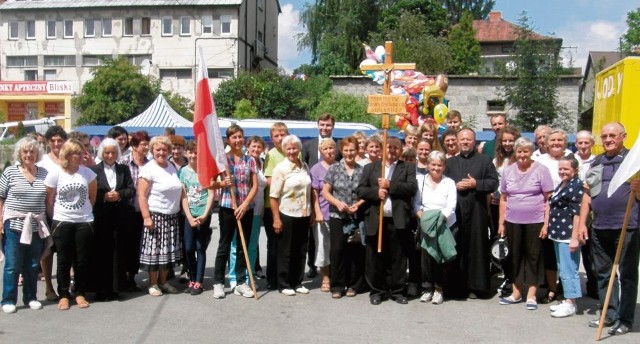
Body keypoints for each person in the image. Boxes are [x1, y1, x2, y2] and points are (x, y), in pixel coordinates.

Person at [580, 122, 640, 335]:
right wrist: (581, 224)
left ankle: (625, 319)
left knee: (627, 275)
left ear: (623, 136)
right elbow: (588, 193)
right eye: (604, 136)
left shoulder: (634, 162)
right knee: (603, 274)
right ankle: (609, 314)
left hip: (627, 226)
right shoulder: (597, 160)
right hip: (600, 226)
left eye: (612, 135)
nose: (608, 140)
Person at [357, 137, 417, 305]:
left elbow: (411, 188)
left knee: (398, 258)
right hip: (376, 219)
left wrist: (390, 185)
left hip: (398, 219)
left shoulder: (408, 168)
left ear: (401, 150)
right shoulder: (370, 168)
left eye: (396, 148)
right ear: (383, 148)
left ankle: (397, 291)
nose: (392, 150)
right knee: (376, 257)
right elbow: (360, 190)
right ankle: (377, 291)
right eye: (389, 147)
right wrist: (376, 192)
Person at [497, 137, 554, 311]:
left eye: (526, 151)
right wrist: (501, 222)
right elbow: (504, 198)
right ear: (515, 152)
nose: (522, 155)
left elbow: (548, 199)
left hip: (535, 221)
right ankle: (516, 293)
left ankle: (531, 294)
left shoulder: (541, 170)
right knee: (515, 256)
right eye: (519, 151)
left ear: (531, 152)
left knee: (534, 257)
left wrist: (546, 224)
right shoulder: (508, 170)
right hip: (513, 221)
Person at [444, 128, 498, 298]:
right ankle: (457, 287)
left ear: (474, 141)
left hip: (477, 212)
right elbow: (443, 183)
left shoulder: (485, 160)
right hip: (456, 212)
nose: (465, 142)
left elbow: (493, 183)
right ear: (457, 142)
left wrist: (476, 183)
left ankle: (477, 287)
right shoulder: (451, 163)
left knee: (477, 248)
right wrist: (455, 186)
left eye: (468, 139)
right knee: (456, 247)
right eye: (462, 139)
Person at [45, 139, 97, 310]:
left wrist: (83, 213)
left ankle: (80, 292)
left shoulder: (88, 173)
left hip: (84, 221)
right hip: (62, 221)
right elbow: (49, 200)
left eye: (81, 152)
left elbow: (92, 197)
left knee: (82, 260)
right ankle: (64, 294)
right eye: (76, 153)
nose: (81, 155)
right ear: (67, 155)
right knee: (63, 260)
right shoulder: (55, 173)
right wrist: (57, 218)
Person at [1, 138, 49, 314]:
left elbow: (49, 197)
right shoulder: (10, 172)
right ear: (20, 154)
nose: (28, 155)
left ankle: (31, 297)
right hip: (13, 225)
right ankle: (8, 299)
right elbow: (1, 197)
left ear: (37, 154)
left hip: (36, 226)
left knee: (32, 265)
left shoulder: (44, 173)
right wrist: (0, 221)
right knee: (12, 265)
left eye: (32, 152)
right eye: (25, 152)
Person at [211, 125, 258, 299]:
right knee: (224, 244)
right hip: (227, 207)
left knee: (242, 245)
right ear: (228, 140)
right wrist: (223, 184)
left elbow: (254, 186)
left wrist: (245, 204)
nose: (237, 140)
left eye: (240, 137)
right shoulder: (222, 160)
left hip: (246, 208)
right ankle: (218, 282)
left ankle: (240, 282)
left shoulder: (250, 160)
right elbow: (210, 183)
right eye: (234, 137)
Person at [137, 136, 185, 297]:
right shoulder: (148, 169)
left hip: (172, 216)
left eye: (165, 149)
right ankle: (153, 283)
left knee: (168, 251)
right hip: (156, 216)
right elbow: (141, 195)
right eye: (158, 149)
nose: (161, 153)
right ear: (152, 151)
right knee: (155, 253)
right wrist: (146, 217)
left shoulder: (171, 166)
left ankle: (163, 282)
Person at [89, 138, 135, 301]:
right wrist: (104, 197)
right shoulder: (94, 170)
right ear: (102, 153)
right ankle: (101, 288)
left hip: (119, 217)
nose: (110, 155)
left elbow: (131, 189)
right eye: (107, 152)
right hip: (101, 217)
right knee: (101, 252)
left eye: (113, 152)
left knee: (117, 252)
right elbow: (90, 192)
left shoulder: (123, 169)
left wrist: (119, 195)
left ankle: (116, 288)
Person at [270, 135, 313, 296]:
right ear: (283, 149)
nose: (292, 151)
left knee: (301, 249)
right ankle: (284, 283)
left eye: (295, 148)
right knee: (285, 250)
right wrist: (276, 218)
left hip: (304, 213)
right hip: (287, 214)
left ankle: (298, 281)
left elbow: (310, 191)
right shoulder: (280, 169)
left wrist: (312, 212)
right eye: (289, 148)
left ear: (299, 149)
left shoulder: (305, 166)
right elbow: (273, 196)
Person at [322, 137, 365, 299]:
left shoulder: (362, 170)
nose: (349, 153)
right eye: (346, 150)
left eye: (352, 150)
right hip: (337, 215)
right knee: (337, 250)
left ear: (357, 151)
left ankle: (354, 284)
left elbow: (367, 193)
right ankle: (337, 285)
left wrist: (359, 204)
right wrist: (337, 203)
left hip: (355, 215)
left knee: (355, 250)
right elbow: (325, 192)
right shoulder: (334, 169)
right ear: (342, 151)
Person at [533, 128, 571, 303]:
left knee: (566, 254)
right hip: (545, 211)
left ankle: (566, 289)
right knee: (549, 253)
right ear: (546, 144)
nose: (556, 143)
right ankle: (552, 289)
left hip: (568, 212)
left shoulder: (572, 158)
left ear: (565, 142)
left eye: (559, 140)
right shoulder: (539, 160)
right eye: (552, 140)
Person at [413, 151, 457, 305]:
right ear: (428, 165)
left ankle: (439, 289)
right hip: (425, 223)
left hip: (445, 224)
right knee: (426, 257)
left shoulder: (449, 183)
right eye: (433, 164)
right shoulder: (420, 181)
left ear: (444, 166)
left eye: (440, 165)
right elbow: (416, 204)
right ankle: (426, 288)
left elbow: (451, 206)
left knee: (443, 258)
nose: (436, 168)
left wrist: (439, 220)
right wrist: (424, 219)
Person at [302, 113, 341, 278]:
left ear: (333, 127)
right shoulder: (309, 145)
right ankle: (313, 265)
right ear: (317, 125)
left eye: (328, 125)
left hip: (334, 197)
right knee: (313, 234)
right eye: (322, 125)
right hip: (313, 194)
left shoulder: (339, 145)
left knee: (332, 236)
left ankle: (332, 266)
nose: (325, 128)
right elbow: (303, 166)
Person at [229, 136, 268, 286]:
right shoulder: (243, 162)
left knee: (251, 246)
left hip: (257, 210)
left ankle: (248, 277)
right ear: (248, 147)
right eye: (253, 147)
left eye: (259, 147)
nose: (256, 150)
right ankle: (233, 277)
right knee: (236, 245)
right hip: (242, 208)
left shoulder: (262, 163)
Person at [548, 155, 584, 318]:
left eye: (566, 169)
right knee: (563, 267)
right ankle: (568, 299)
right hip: (558, 232)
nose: (562, 171)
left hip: (568, 233)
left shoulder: (576, 186)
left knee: (569, 268)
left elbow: (577, 214)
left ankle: (571, 302)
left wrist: (575, 237)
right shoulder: (563, 184)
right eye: (560, 169)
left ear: (575, 170)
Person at [179, 141, 214, 296]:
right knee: (188, 247)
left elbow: (211, 194)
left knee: (200, 247)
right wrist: (189, 216)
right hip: (189, 215)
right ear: (186, 153)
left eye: (196, 153)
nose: (193, 155)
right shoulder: (182, 172)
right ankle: (192, 278)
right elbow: (184, 197)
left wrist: (205, 214)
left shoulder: (206, 171)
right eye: (190, 152)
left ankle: (199, 281)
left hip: (203, 214)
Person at [38, 125, 67, 301]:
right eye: (53, 140)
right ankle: (49, 287)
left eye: (59, 140)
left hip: (66, 213)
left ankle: (65, 285)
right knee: (48, 251)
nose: (56, 143)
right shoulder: (42, 162)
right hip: (47, 212)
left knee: (66, 252)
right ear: (48, 142)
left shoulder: (68, 159)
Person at [491, 126, 521, 296]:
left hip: (516, 206)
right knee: (502, 243)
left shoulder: (521, 159)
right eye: (505, 141)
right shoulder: (497, 161)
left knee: (515, 243)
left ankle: (516, 279)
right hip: (498, 205)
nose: (508, 144)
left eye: (511, 140)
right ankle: (508, 276)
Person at [119, 131, 150, 291]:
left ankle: (132, 275)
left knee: (138, 245)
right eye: (143, 144)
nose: (146, 147)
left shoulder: (149, 163)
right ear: (134, 146)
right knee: (126, 244)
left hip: (144, 210)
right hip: (127, 209)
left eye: (147, 144)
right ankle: (123, 276)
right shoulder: (124, 162)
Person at [263, 122, 289, 290]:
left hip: (290, 206)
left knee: (286, 245)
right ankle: (272, 278)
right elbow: (269, 180)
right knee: (274, 244)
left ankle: (285, 276)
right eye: (276, 136)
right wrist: (289, 182)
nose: (280, 139)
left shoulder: (295, 152)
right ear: (272, 139)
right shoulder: (271, 155)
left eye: (282, 135)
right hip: (272, 206)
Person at [310, 138, 336, 292]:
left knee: (337, 247)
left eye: (331, 148)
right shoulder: (316, 169)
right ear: (321, 151)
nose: (329, 151)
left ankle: (337, 275)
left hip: (339, 213)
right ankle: (325, 277)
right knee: (323, 247)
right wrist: (317, 212)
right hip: (323, 213)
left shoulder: (340, 166)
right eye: (325, 149)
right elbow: (314, 194)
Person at [573, 130, 597, 298]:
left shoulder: (597, 161)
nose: (583, 146)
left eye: (586, 143)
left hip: (590, 210)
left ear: (591, 144)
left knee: (590, 252)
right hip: (572, 209)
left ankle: (593, 285)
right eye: (580, 143)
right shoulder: (570, 159)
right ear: (576, 144)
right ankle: (570, 287)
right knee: (571, 250)